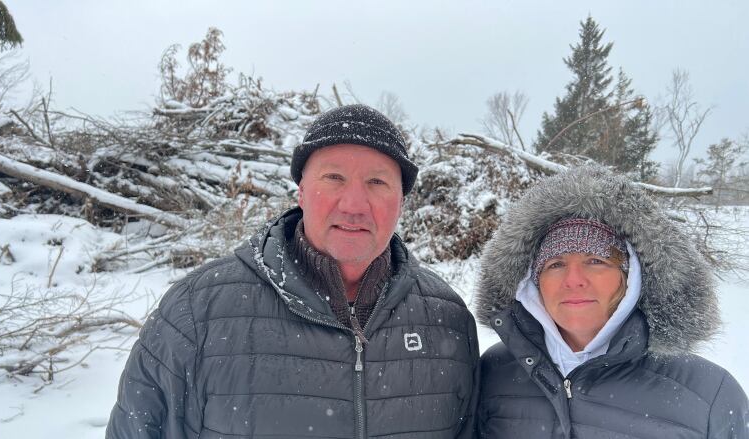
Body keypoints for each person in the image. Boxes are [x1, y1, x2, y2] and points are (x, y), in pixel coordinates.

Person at [106, 104, 479, 438]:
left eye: (377, 182)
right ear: (301, 192)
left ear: (401, 201)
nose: (353, 205)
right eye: (333, 178)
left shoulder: (447, 320)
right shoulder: (195, 312)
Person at [475, 165, 748, 438]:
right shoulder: (494, 371)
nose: (573, 280)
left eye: (596, 261)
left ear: (630, 278)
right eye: (555, 264)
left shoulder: (708, 394)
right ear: (533, 283)